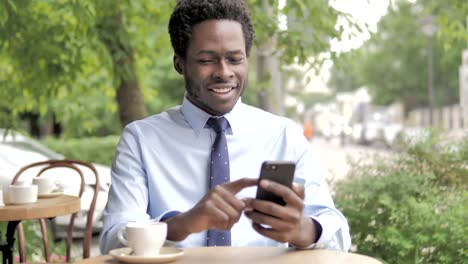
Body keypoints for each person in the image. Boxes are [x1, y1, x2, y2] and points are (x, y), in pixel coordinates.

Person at [100, 0, 351, 253]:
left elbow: (340, 237)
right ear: (180, 63)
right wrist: (181, 224)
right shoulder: (141, 140)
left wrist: (302, 230)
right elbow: (113, 239)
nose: (224, 72)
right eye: (207, 60)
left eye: (234, 59)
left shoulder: (284, 135)